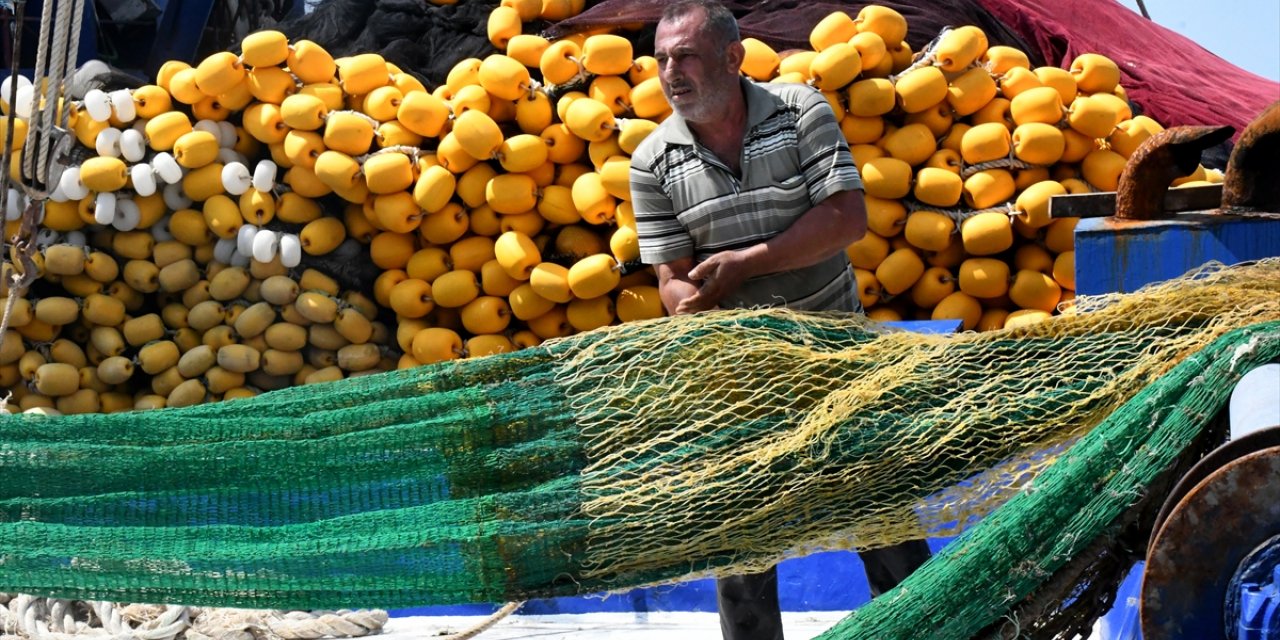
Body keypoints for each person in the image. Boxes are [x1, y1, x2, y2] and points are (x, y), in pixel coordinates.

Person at [628, 1, 933, 638]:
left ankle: (923, 630)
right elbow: (669, 276)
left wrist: (746, 263)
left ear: (732, 58)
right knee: (741, 546)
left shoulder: (799, 111)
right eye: (661, 59)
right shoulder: (652, 160)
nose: (670, 72)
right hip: (737, 379)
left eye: (685, 56)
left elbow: (848, 219)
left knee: (884, 522)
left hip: (839, 360)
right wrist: (684, 300)